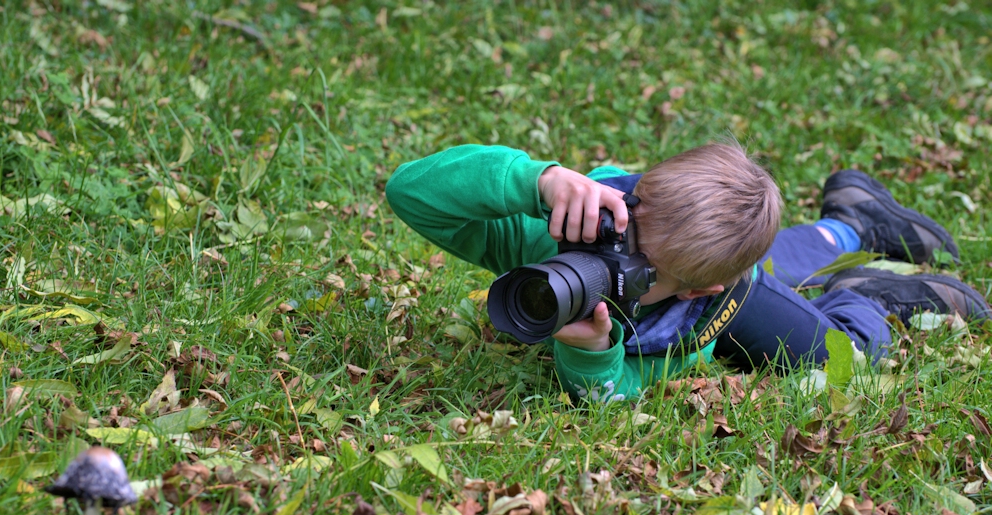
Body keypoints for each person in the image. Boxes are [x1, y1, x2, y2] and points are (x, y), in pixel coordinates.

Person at [385, 143, 990, 402]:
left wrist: (596, 357)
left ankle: (866, 296)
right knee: (760, 253)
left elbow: (613, 396)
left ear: (697, 289)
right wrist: (536, 178)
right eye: (619, 238)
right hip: (707, 269)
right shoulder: (554, 229)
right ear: (629, 200)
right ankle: (850, 225)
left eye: (637, 269)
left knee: (842, 360)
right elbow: (412, 193)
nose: (605, 260)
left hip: (731, 304)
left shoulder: (689, 319)